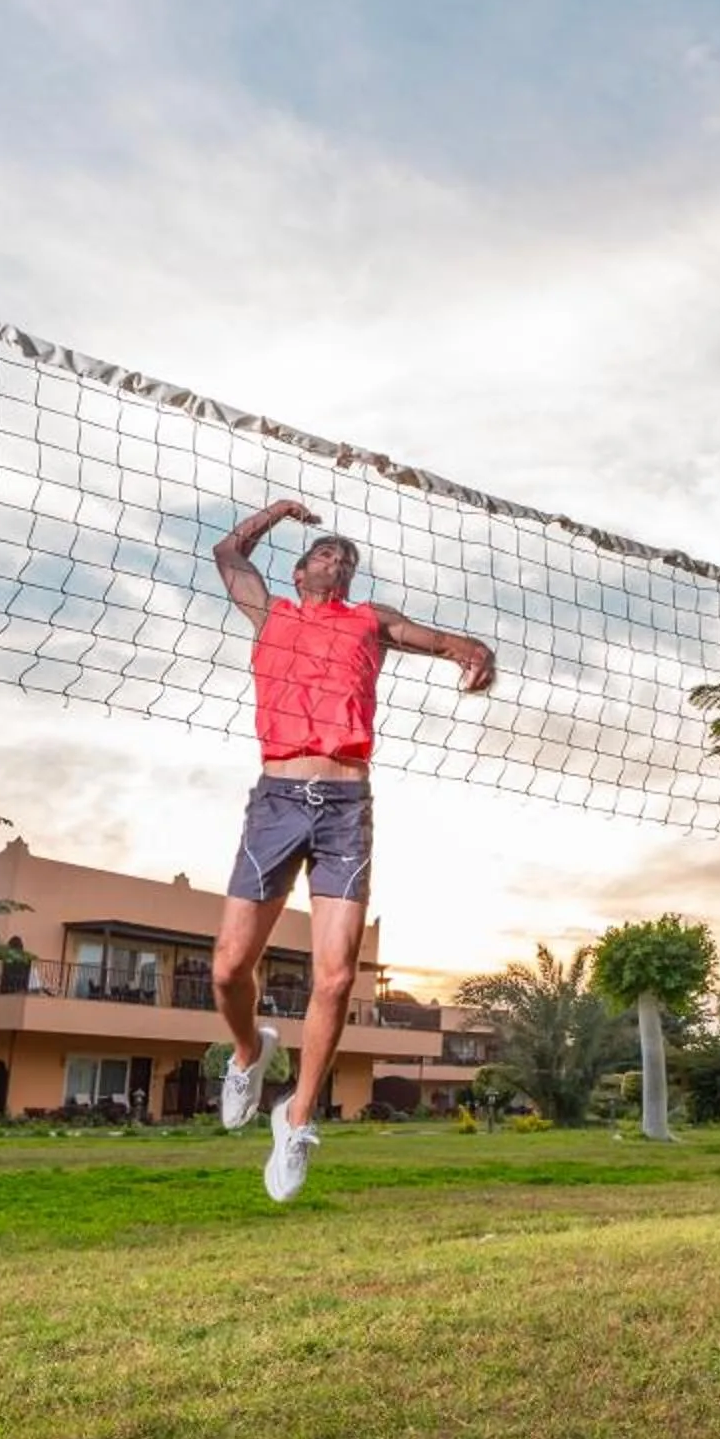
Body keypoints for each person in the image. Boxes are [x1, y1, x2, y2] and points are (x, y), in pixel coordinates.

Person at [207, 497, 495, 1200]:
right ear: (302, 570)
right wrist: (276, 511)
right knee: (225, 970)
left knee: (335, 978)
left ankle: (297, 1119)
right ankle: (249, 1053)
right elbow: (226, 555)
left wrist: (472, 649)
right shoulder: (270, 613)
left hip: (345, 806)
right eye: (328, 554)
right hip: (276, 801)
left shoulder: (370, 620)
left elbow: (435, 639)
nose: (340, 562)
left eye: (350, 559)